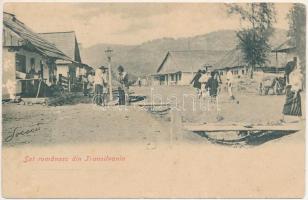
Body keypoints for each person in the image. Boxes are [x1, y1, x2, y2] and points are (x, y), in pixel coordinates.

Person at [282, 58, 303, 122]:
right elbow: (295, 83)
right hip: (293, 89)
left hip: (290, 89)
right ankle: (298, 117)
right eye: (295, 67)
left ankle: (284, 117)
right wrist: (297, 89)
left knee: (289, 103)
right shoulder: (292, 74)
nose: (296, 68)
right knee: (296, 103)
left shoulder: (289, 74)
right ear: (293, 68)